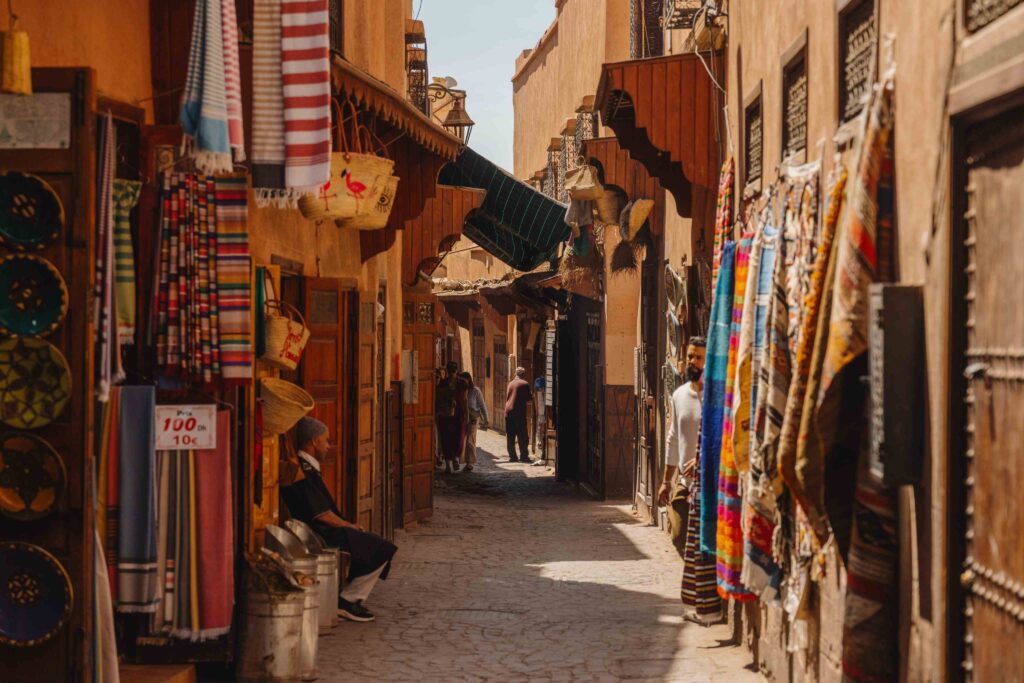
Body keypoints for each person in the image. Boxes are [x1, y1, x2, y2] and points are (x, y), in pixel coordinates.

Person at [281, 417, 398, 623]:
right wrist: (349, 526)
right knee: (381, 548)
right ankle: (347, 600)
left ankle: (350, 598)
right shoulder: (304, 471)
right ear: (314, 441)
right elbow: (321, 514)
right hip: (318, 532)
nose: (328, 446)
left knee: (374, 547)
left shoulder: (308, 468)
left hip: (320, 528)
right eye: (325, 441)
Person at [435, 361, 468, 473]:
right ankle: (453, 460)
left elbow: (438, 399)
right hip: (455, 414)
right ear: (456, 370)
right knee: (456, 437)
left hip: (448, 415)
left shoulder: (444, 383)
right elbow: (464, 400)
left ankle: (450, 463)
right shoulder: (461, 383)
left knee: (448, 438)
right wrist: (466, 414)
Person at [459, 371, 488, 472]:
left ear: (469, 379)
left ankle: (469, 463)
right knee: (462, 439)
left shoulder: (476, 391)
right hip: (462, 417)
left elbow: (482, 405)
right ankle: (462, 460)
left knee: (470, 440)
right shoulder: (460, 390)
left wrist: (486, 419)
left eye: (464, 379)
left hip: (473, 418)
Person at [504, 367, 533, 463]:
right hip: (518, 412)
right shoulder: (525, 384)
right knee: (522, 435)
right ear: (524, 374)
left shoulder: (510, 383)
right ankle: (524, 456)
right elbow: (529, 398)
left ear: (515, 374)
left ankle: (513, 456)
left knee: (511, 436)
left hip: (508, 412)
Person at [532, 375, 546, 457]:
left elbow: (537, 406)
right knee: (540, 428)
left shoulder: (536, 393)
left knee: (539, 428)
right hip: (542, 414)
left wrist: (538, 412)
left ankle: (540, 445)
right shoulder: (540, 393)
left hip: (541, 414)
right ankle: (540, 446)